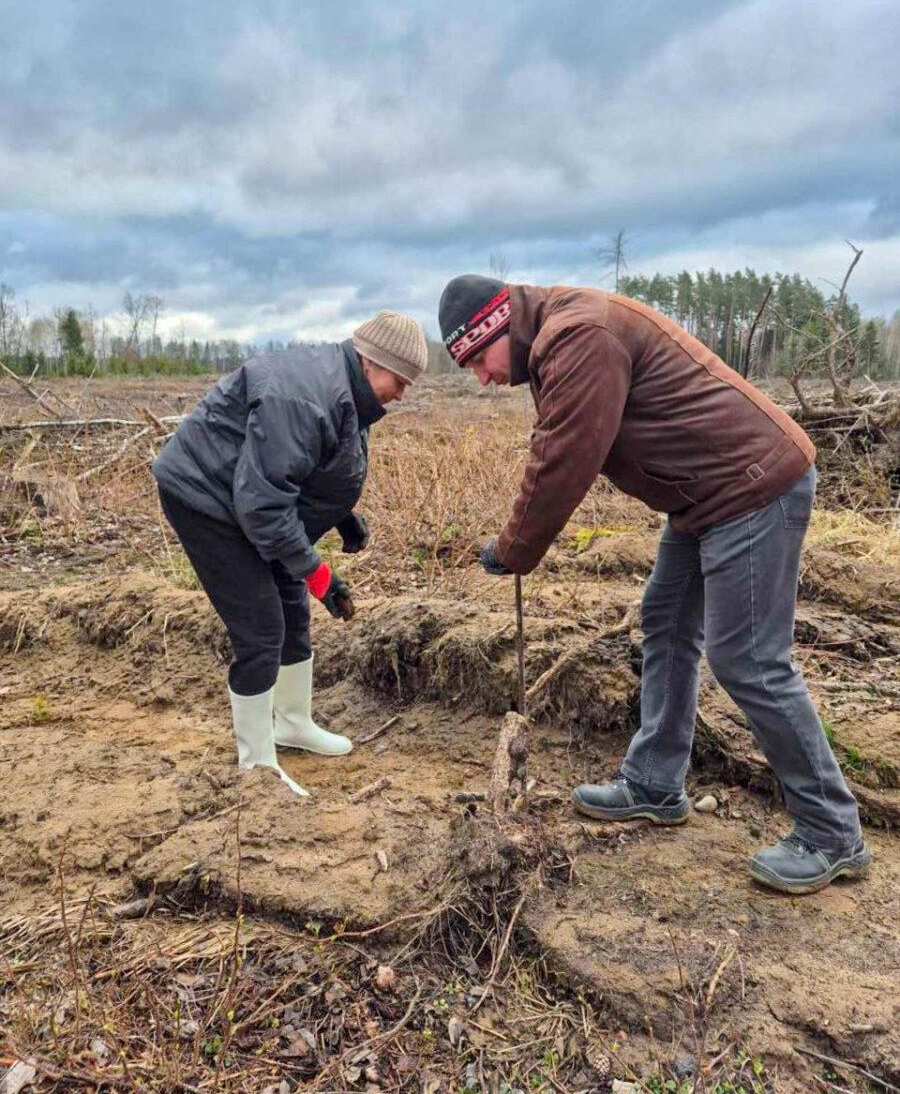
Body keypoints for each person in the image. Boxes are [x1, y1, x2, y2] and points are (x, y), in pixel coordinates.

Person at [439, 274, 871, 894]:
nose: (480, 376)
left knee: (749, 658)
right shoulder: (556, 337)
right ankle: (654, 782)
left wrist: (515, 548)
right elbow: (555, 436)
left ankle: (832, 831)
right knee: (665, 622)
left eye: (478, 358)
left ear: (499, 324)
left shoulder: (579, 333)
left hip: (749, 487)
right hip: (706, 499)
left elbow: (565, 453)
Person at [153, 311, 428, 797]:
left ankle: (293, 723)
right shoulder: (307, 397)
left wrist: (339, 512)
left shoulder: (344, 389)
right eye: (400, 379)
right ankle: (256, 767)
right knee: (262, 628)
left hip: (246, 500)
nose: (402, 393)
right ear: (371, 361)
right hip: (206, 500)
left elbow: (305, 463)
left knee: (290, 608)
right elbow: (262, 505)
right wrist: (320, 576)